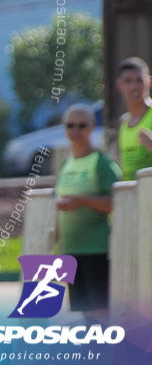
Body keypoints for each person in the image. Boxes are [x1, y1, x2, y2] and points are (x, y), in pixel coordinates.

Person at [54, 103, 121, 324]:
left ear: (92, 127)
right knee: (84, 315)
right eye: (70, 125)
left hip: (97, 250)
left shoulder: (102, 163)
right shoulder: (66, 165)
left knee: (100, 315)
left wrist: (82, 201)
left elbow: (117, 202)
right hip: (72, 250)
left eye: (82, 125)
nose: (76, 130)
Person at [115, 56, 152, 181]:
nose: (134, 87)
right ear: (119, 84)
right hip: (131, 196)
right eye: (128, 81)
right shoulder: (123, 122)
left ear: (149, 82)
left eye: (139, 80)